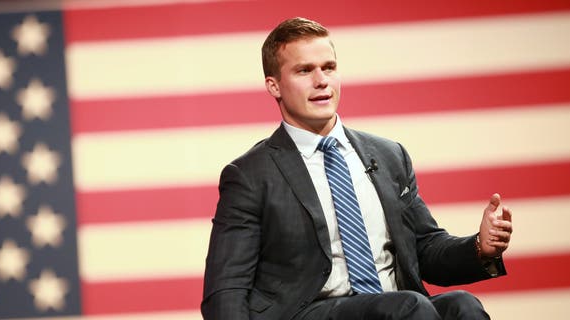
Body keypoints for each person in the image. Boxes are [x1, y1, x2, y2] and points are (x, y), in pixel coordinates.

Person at [201, 17, 513, 320]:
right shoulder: (251, 175)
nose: (321, 80)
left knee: (462, 306)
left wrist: (479, 247)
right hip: (310, 311)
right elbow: (226, 287)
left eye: (329, 67)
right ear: (274, 86)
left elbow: (425, 250)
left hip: (398, 307)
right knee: (409, 307)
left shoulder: (389, 155)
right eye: (304, 70)